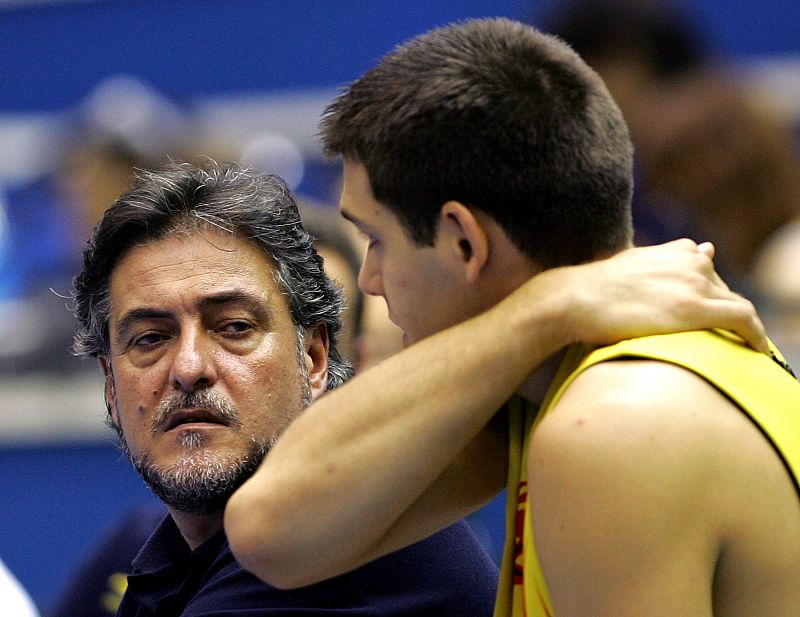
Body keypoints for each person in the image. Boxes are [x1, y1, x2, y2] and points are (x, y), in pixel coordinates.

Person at [224, 18, 799, 617]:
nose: (370, 279)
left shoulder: (613, 420)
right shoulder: (555, 370)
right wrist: (546, 307)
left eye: (378, 240)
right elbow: (270, 534)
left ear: (464, 242)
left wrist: (545, 310)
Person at [70, 159, 502, 616]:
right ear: (111, 385)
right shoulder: (172, 556)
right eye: (150, 339)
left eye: (234, 327)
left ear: (313, 358)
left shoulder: (341, 548)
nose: (189, 367)